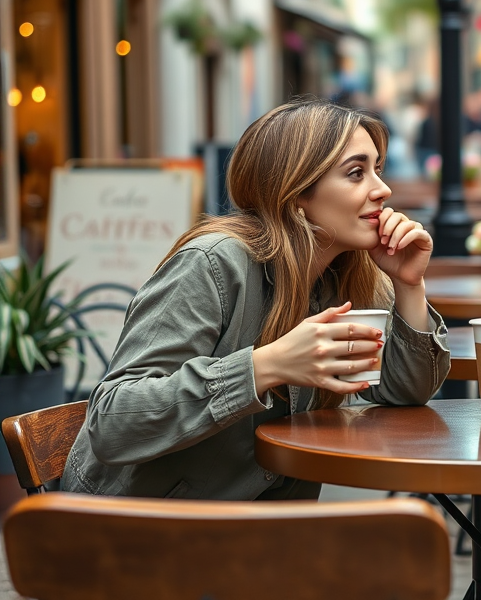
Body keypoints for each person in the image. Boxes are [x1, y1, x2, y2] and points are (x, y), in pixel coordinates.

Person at [63, 98, 450, 500]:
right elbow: (112, 422)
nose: (383, 189)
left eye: (378, 169)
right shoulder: (213, 264)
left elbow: (404, 393)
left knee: (401, 544)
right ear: (297, 190)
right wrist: (265, 366)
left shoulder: (348, 270)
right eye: (356, 173)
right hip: (134, 528)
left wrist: (409, 285)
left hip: (257, 533)